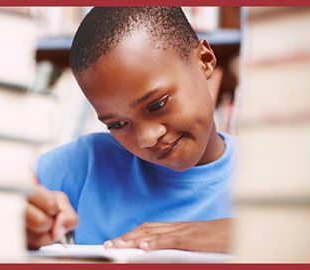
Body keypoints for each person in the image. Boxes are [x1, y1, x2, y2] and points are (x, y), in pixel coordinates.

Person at [26, 7, 236, 253]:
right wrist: (22, 220)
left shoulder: (272, 173)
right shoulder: (85, 163)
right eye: (117, 124)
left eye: (157, 105)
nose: (146, 139)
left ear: (205, 60)